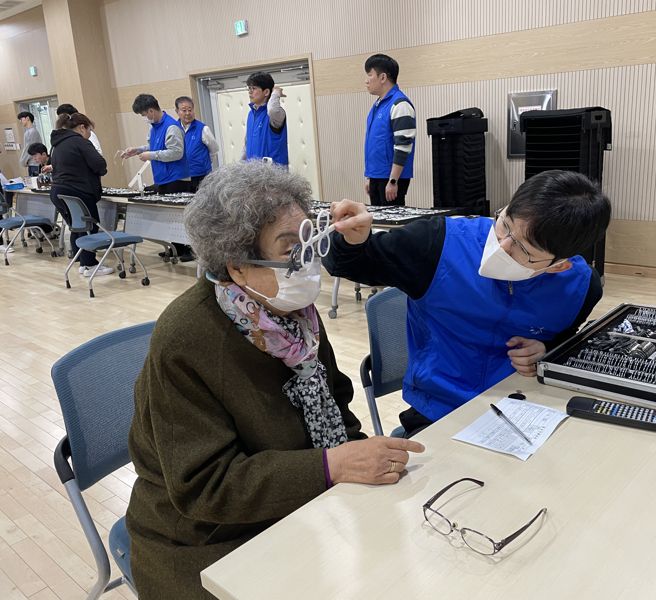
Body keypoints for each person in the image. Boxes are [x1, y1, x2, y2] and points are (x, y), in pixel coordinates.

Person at [127, 161, 424, 599]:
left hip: (294, 499)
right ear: (237, 267)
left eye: (309, 240)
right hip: (205, 537)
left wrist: (354, 460)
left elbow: (335, 401)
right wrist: (332, 465)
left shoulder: (291, 315)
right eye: (290, 249)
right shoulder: (187, 339)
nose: (308, 264)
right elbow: (205, 487)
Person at [324, 170, 612, 436]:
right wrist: (352, 239)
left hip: (525, 409)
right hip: (438, 412)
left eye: (522, 249)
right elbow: (348, 264)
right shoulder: (438, 243)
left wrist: (546, 350)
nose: (502, 246)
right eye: (505, 223)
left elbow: (567, 341)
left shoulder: (581, 287)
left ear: (558, 266)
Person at [121, 94, 192, 261]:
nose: (145, 118)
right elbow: (154, 146)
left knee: (181, 218)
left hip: (177, 179)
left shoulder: (171, 127)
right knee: (170, 218)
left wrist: (151, 155)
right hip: (163, 178)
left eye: (145, 115)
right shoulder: (154, 127)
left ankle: (189, 250)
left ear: (151, 111)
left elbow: (176, 152)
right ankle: (176, 249)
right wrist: (138, 150)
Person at [49, 113, 113, 276]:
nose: (90, 134)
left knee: (79, 227)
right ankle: (90, 265)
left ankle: (84, 263)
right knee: (89, 226)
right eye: (90, 130)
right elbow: (99, 164)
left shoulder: (57, 144)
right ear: (82, 127)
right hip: (78, 191)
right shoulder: (80, 142)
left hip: (59, 192)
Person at [363, 54, 416, 206]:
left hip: (390, 179)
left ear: (383, 77)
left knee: (391, 226)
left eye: (370, 75)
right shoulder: (378, 105)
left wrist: (393, 180)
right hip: (377, 176)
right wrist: (370, 177)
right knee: (378, 225)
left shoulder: (400, 105)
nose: (366, 80)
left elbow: (403, 146)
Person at [242, 71, 288, 166]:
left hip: (273, 175)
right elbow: (247, 145)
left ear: (266, 92)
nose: (250, 92)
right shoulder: (251, 114)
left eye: (254, 88)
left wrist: (275, 93)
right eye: (249, 88)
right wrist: (241, 165)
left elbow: (272, 109)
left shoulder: (276, 114)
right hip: (253, 173)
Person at [175, 96, 219, 191]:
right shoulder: (173, 129)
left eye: (190, 110)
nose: (188, 113)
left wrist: (203, 163)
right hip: (180, 176)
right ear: (177, 111)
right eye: (184, 110)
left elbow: (214, 150)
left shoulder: (203, 129)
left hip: (201, 175)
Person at [17, 111, 43, 177]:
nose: (20, 121)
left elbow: (29, 149)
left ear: (27, 118)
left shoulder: (32, 132)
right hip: (31, 163)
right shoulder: (28, 132)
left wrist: (23, 161)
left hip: (35, 163)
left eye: (21, 119)